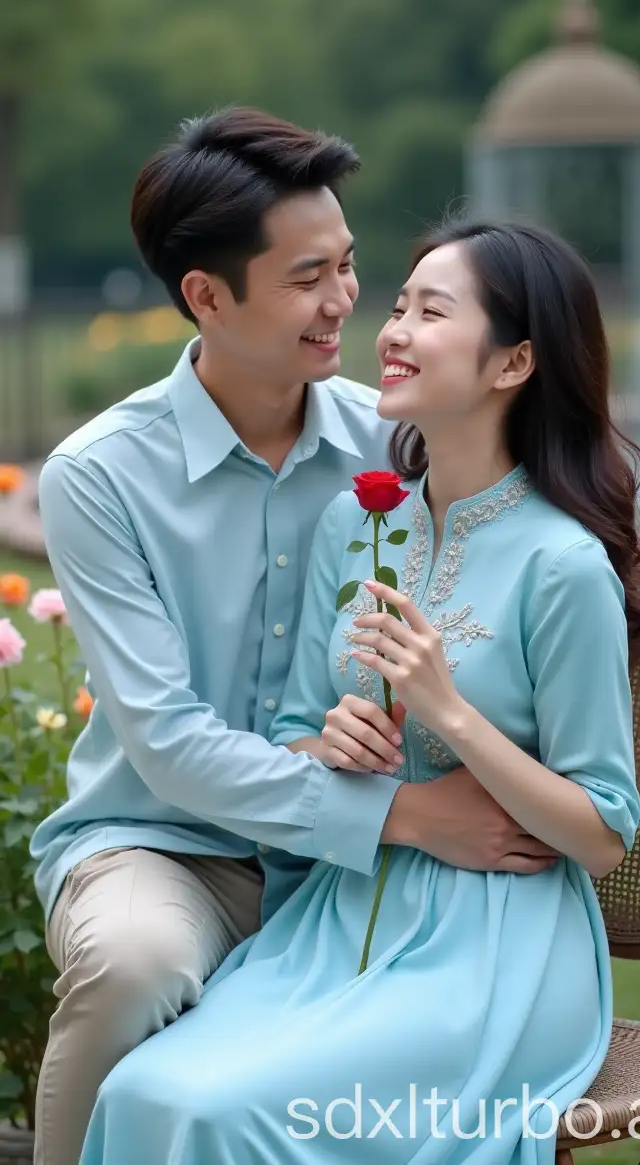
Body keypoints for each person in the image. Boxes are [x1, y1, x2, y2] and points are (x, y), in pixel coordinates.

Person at [30, 114, 558, 1165]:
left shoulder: (397, 437)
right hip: (165, 842)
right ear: (207, 297)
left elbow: (531, 552)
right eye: (308, 276)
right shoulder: (98, 477)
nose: (346, 302)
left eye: (351, 265)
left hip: (360, 876)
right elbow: (169, 744)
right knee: (134, 961)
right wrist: (403, 813)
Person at [79, 220, 640, 1165]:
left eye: (431, 312)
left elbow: (602, 832)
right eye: (399, 305)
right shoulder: (358, 522)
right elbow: (299, 733)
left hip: (495, 948)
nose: (390, 330)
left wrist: (452, 715)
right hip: (335, 916)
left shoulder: (562, 566)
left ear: (513, 363)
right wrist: (335, 742)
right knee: (148, 1090)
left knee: (227, 1114)